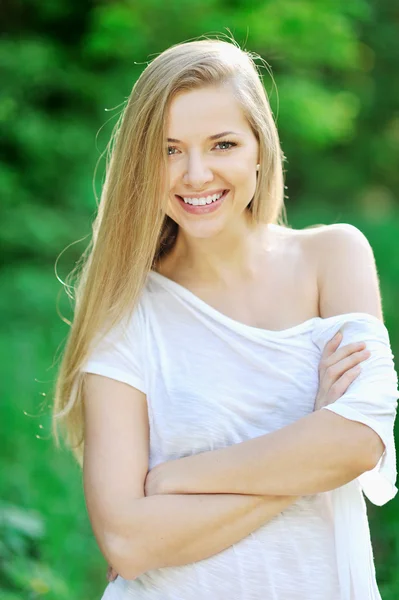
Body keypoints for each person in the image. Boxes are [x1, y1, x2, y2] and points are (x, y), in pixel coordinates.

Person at [52, 38, 398, 600]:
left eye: (222, 144)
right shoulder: (126, 311)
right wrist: (309, 450)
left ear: (259, 149)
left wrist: (177, 480)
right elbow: (127, 542)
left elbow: (359, 444)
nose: (195, 174)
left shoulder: (334, 258)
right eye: (169, 150)